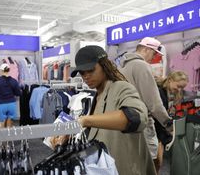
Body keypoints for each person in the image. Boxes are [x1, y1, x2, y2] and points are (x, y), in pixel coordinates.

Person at [71, 45, 156, 175]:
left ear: (105, 66)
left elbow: (137, 117)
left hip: (125, 168)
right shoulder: (97, 95)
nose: (86, 76)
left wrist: (86, 120)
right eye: (82, 73)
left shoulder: (121, 88)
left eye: (91, 70)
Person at [118, 37, 173, 170]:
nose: (154, 58)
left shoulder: (122, 66)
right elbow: (153, 101)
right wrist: (167, 122)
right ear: (146, 49)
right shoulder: (142, 65)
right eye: (154, 53)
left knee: (134, 162)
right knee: (152, 163)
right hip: (142, 122)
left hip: (126, 121)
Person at [154, 71, 188, 173]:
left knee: (158, 163)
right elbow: (158, 119)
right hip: (153, 131)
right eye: (178, 86)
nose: (179, 89)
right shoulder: (160, 93)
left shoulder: (167, 93)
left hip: (158, 132)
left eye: (182, 87)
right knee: (157, 163)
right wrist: (167, 137)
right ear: (170, 80)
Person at [0, 63, 22, 128]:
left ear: (1, 71)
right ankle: (8, 137)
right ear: (9, 70)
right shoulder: (14, 81)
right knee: (9, 123)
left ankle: (1, 138)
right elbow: (18, 93)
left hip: (1, 105)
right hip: (12, 104)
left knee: (1, 124)